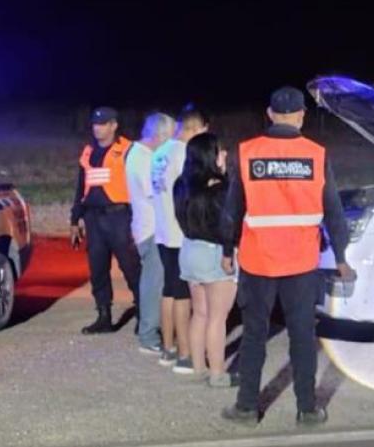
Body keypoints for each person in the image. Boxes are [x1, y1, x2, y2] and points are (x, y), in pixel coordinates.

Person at [220, 86, 355, 426]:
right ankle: (307, 409)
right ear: (300, 115)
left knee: (254, 335)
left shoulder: (247, 152)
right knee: (302, 336)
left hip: (258, 260)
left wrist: (226, 249)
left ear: (269, 114)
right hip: (301, 262)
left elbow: (231, 210)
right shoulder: (316, 154)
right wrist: (340, 257)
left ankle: (247, 408)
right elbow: (334, 213)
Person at [70, 106, 143, 335]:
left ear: (114, 125)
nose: (97, 128)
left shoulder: (128, 150)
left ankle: (144, 314)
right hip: (94, 217)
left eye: (102, 124)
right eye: (95, 124)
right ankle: (104, 316)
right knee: (98, 269)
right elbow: (81, 187)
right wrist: (75, 218)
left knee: (131, 267)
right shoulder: (89, 152)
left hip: (119, 216)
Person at [173, 132, 238, 387]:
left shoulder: (182, 185)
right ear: (210, 156)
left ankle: (199, 367)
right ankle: (218, 373)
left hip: (189, 250)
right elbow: (227, 226)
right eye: (221, 151)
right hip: (215, 253)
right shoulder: (222, 190)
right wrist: (228, 252)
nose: (225, 155)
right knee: (217, 317)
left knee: (199, 313)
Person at [151, 104, 209, 372]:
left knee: (169, 291)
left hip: (162, 231)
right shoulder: (185, 153)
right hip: (179, 233)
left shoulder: (159, 152)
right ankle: (185, 354)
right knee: (182, 295)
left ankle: (168, 347)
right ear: (194, 129)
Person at [127, 112, 176, 353]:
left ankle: (152, 330)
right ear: (160, 135)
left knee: (156, 281)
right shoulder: (144, 159)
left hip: (149, 226)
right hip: (151, 229)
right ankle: (148, 335)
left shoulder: (139, 154)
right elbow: (155, 191)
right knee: (153, 283)